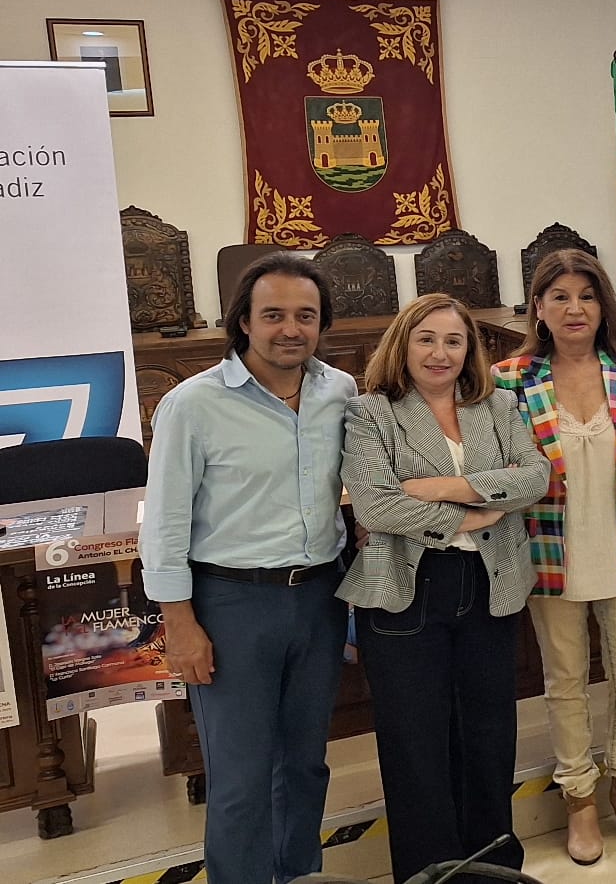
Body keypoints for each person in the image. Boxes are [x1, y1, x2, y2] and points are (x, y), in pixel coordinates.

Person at [139, 253, 354, 884]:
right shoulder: (193, 405)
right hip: (231, 605)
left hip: (318, 598)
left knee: (306, 764)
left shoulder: (339, 391)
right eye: (274, 315)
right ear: (244, 323)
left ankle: (296, 874)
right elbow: (166, 524)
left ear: (322, 324)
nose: (290, 329)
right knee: (239, 778)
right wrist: (179, 622)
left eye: (305, 316)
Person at [337, 293, 552, 884]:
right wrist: (475, 511)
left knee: (488, 741)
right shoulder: (371, 411)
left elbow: (533, 475)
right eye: (426, 339)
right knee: (417, 752)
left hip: (489, 586)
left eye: (454, 341)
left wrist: (441, 488)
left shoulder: (499, 404)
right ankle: (430, 876)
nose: (440, 353)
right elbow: (377, 505)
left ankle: (493, 873)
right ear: (402, 344)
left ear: (470, 350)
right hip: (406, 594)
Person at [494, 249, 616, 864]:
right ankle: (577, 796)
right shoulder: (509, 379)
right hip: (550, 560)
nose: (575, 309)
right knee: (565, 681)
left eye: (587, 296)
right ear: (538, 308)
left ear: (605, 305)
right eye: (560, 297)